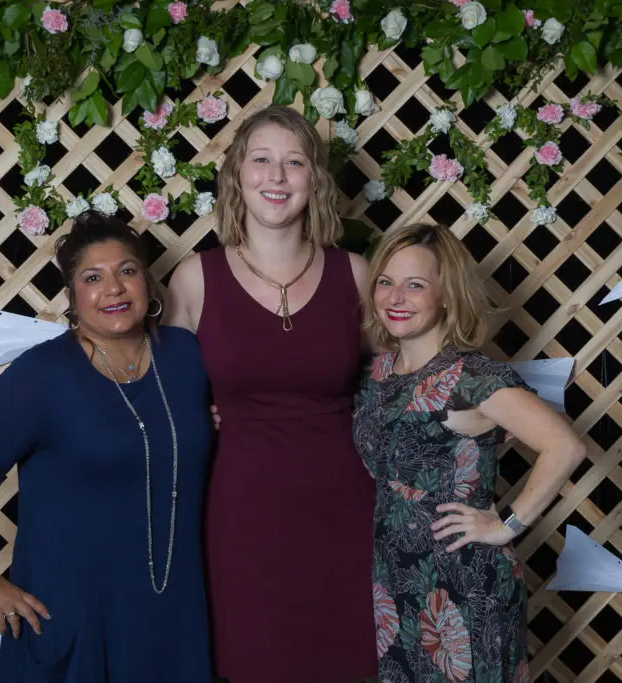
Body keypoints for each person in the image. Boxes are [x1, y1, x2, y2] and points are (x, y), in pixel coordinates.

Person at [0, 212, 214, 682]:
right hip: (71, 612)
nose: (114, 288)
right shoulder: (42, 373)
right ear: (71, 296)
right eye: (93, 278)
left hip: (171, 605)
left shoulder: (185, 355)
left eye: (127, 270)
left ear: (147, 283)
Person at [165, 105, 377, 683]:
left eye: (294, 162)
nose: (276, 176)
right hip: (240, 514)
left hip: (344, 509)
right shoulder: (195, 278)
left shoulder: (356, 274)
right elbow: (162, 395)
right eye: (261, 160)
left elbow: (398, 378)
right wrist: (194, 415)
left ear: (315, 179)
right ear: (237, 173)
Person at [353, 224, 587, 683]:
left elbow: (566, 446)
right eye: (386, 281)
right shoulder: (376, 374)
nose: (396, 297)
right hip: (395, 581)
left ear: (447, 294)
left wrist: (506, 525)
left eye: (415, 285)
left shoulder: (470, 377)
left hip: (464, 583)